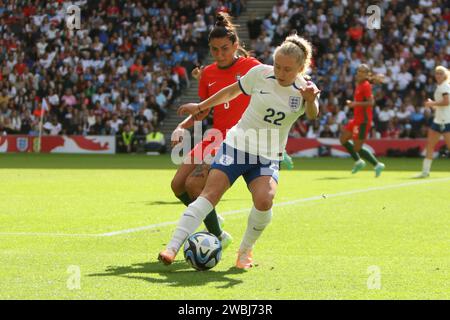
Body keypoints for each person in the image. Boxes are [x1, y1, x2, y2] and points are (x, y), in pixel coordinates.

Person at [159, 34, 320, 269]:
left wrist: (310, 101)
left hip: (267, 155)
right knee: (208, 194)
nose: (280, 72)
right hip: (236, 145)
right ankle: (172, 248)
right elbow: (230, 92)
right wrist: (201, 106)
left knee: (265, 200)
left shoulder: (306, 89)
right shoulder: (260, 74)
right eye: (277, 65)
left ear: (300, 68)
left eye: (287, 69)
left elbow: (313, 114)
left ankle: (245, 251)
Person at [170, 13, 260, 250]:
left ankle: (218, 236)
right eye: (214, 50)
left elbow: (275, 82)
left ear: (236, 46)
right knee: (177, 185)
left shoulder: (251, 67)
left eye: (225, 49)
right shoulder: (208, 73)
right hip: (214, 135)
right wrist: (181, 126)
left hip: (237, 137)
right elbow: (203, 111)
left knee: (194, 184)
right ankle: (211, 217)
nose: (220, 54)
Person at [339, 64, 386, 177]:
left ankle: (377, 164)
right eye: (358, 71)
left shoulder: (365, 85)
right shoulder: (360, 84)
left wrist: (355, 104)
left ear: (366, 74)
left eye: (362, 72)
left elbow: (371, 103)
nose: (359, 73)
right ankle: (358, 162)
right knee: (343, 139)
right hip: (356, 119)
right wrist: (354, 104)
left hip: (363, 121)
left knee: (357, 148)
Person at [415, 66, 450, 178]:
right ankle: (425, 172)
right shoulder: (440, 87)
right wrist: (433, 105)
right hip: (438, 120)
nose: (438, 75)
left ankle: (425, 172)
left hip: (446, 121)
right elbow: (442, 105)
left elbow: (446, 102)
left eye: (440, 73)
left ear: (445, 75)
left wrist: (432, 104)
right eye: (436, 73)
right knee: (430, 145)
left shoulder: (444, 86)